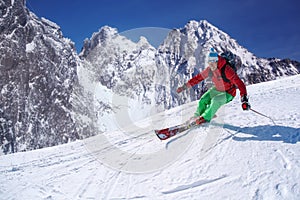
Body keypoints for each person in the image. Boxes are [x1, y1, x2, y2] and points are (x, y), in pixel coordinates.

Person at [176, 48, 250, 126]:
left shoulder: (227, 70)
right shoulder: (210, 69)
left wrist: (244, 99)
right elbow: (198, 78)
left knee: (215, 100)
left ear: (217, 62)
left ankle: (205, 118)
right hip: (217, 89)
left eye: (213, 63)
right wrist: (184, 87)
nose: (211, 65)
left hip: (229, 93)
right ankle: (197, 116)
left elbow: (240, 84)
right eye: (209, 63)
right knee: (203, 99)